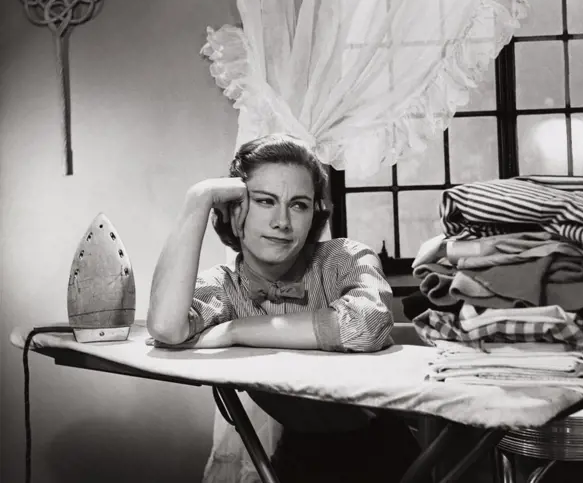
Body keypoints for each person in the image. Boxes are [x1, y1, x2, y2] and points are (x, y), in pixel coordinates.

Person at [147, 133, 421, 482]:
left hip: (387, 455)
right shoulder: (225, 286)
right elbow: (167, 327)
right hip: (297, 457)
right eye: (264, 201)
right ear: (235, 211)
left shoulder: (344, 257)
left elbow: (366, 326)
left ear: (313, 215)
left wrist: (235, 330)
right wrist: (198, 198)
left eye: (298, 204)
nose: (282, 222)